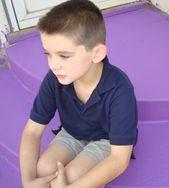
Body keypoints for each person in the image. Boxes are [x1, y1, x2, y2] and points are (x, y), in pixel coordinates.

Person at [19, 0, 138, 187]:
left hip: (105, 140)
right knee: (42, 169)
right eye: (47, 54)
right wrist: (28, 180)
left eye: (64, 56)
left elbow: (119, 158)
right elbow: (32, 131)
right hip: (72, 133)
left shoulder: (120, 89)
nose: (53, 64)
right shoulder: (55, 77)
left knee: (71, 177)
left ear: (97, 53)